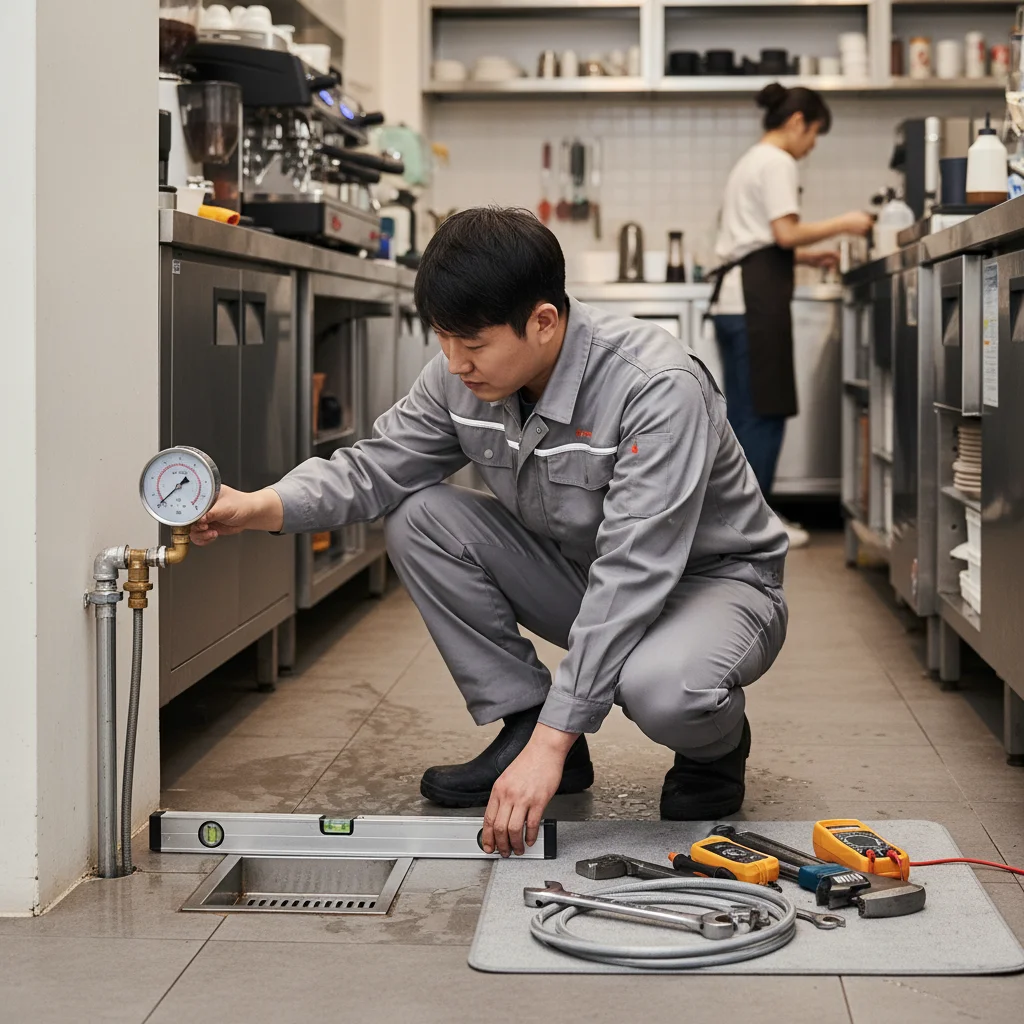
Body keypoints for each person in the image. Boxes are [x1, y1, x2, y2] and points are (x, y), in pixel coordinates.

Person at [190, 207, 788, 857]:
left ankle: (716, 748)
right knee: (421, 517)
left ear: (543, 322)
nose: (455, 364)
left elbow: (635, 569)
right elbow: (374, 469)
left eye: (472, 346)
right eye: (444, 341)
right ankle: (525, 715)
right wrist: (257, 506)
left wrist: (549, 748)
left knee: (662, 691)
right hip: (586, 573)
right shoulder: (459, 379)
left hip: (716, 585)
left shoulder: (654, 386)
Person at [711, 83, 873, 548]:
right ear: (798, 121)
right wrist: (846, 222)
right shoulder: (777, 161)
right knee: (766, 412)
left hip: (737, 299)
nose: (812, 146)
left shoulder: (751, 160)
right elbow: (784, 233)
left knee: (745, 414)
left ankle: (739, 518)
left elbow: (758, 239)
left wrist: (810, 257)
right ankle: (754, 523)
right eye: (815, 133)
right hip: (753, 302)